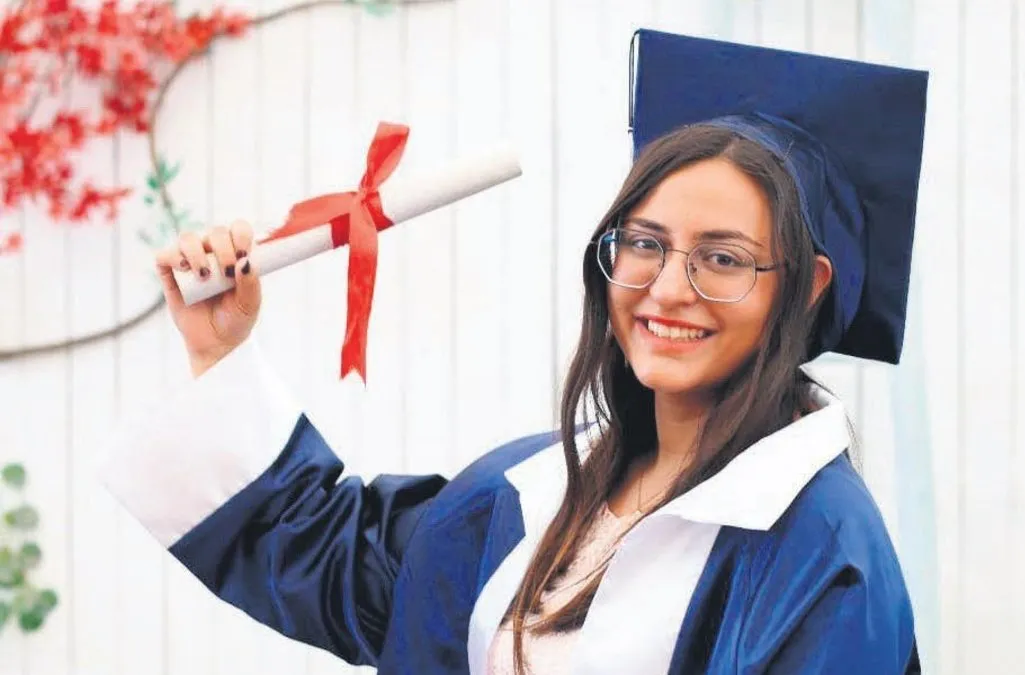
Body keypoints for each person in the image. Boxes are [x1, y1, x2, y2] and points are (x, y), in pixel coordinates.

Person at [100, 29, 928, 674]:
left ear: (806, 287)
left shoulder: (823, 554)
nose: (668, 288)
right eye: (645, 242)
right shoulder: (534, 490)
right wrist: (221, 350)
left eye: (722, 257)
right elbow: (341, 565)